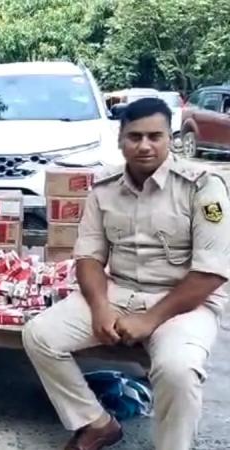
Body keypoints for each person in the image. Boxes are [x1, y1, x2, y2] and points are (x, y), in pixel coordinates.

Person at [22, 97, 230, 450]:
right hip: (119, 292)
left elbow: (210, 273)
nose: (145, 146)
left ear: (170, 139)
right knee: (40, 334)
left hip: (183, 304)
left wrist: (149, 320)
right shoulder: (104, 188)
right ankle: (96, 423)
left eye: (155, 136)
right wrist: (100, 307)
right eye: (135, 136)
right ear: (120, 140)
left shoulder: (203, 187)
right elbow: (88, 257)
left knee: (178, 370)